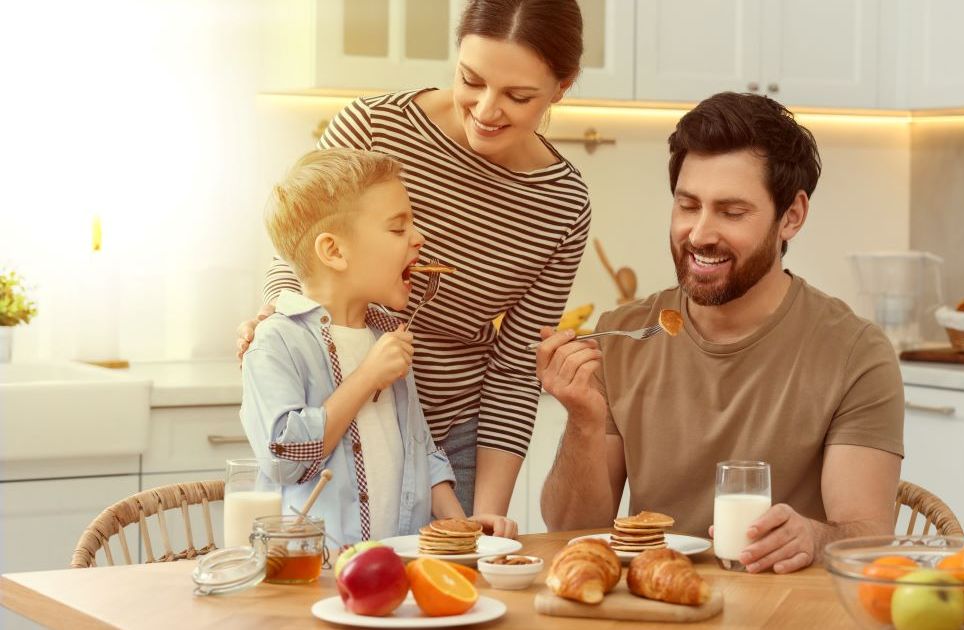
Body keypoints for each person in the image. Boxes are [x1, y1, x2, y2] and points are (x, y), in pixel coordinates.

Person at [237, 0, 591, 531]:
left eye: (518, 96)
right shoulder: (374, 126)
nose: (487, 109)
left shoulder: (562, 205)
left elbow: (514, 370)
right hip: (335, 415)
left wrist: (487, 516)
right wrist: (280, 319)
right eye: (471, 80)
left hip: (449, 439)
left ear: (562, 87)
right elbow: (300, 252)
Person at [536, 92, 905, 574]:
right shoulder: (623, 335)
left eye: (731, 213)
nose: (700, 234)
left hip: (786, 610)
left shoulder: (855, 352)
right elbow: (572, 532)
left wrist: (814, 536)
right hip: (655, 604)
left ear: (791, 216)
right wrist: (583, 421)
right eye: (688, 205)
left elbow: (867, 539)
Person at [240, 148, 514, 544]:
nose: (418, 239)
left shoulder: (387, 334)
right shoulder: (276, 341)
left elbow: (422, 453)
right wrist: (367, 376)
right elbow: (286, 457)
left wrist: (464, 528)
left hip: (397, 565)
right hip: (316, 576)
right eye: (398, 229)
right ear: (334, 251)